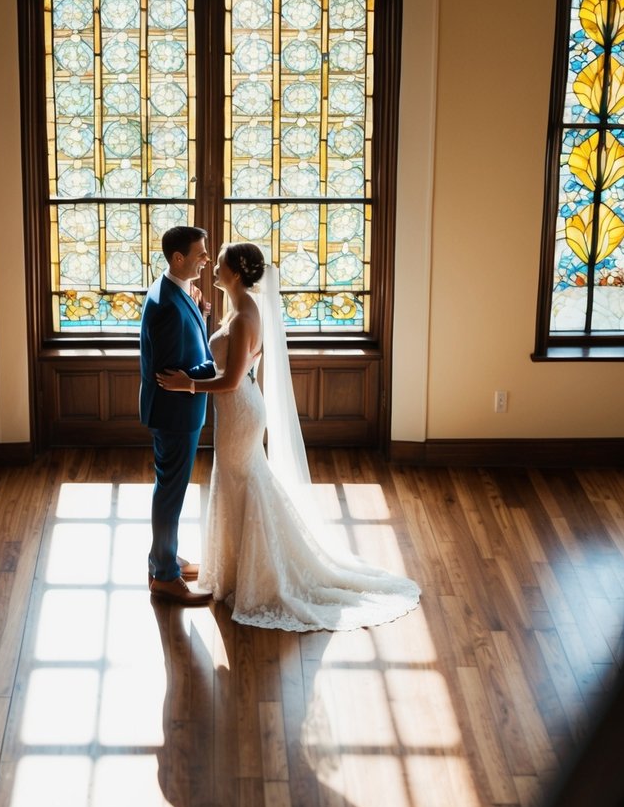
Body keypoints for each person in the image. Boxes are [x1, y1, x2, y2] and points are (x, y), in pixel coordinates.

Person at [157, 242, 421, 631]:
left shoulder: (246, 314)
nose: (213, 266)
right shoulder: (238, 307)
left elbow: (230, 380)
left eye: (221, 263)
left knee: (243, 482)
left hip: (240, 409)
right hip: (237, 411)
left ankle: (260, 575)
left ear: (234, 273)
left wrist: (187, 386)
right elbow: (228, 360)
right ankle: (233, 571)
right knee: (237, 483)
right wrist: (203, 317)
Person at [140, 225, 217, 606]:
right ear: (178, 258)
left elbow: (188, 339)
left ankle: (164, 557)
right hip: (174, 412)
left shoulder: (174, 290)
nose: (207, 258)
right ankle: (165, 578)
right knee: (170, 493)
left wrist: (201, 312)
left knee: (169, 489)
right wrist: (222, 364)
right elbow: (174, 372)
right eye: (201, 253)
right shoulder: (167, 305)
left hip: (176, 410)